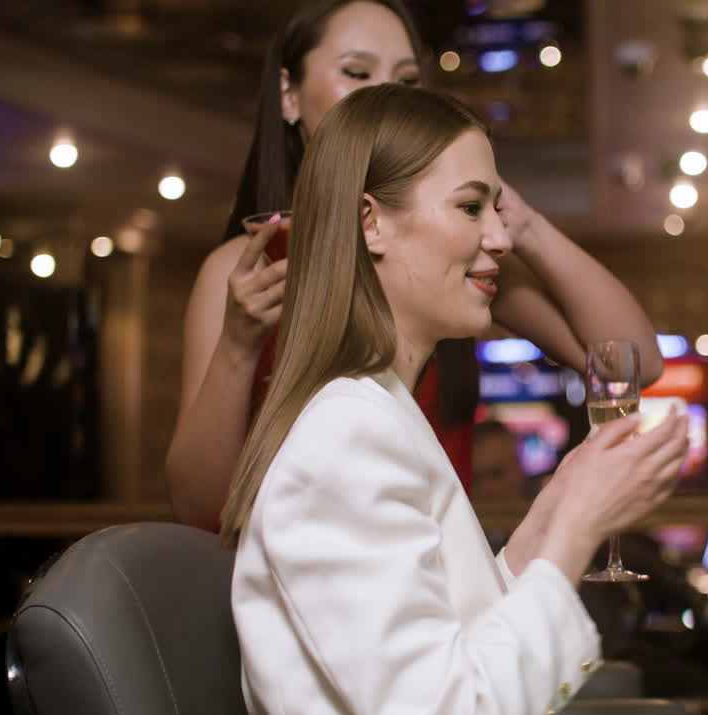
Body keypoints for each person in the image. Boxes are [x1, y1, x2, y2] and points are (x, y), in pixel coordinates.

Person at [224, 84, 689, 715]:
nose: (500, 237)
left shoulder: (381, 408)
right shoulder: (346, 431)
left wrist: (547, 518)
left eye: (497, 210)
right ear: (372, 222)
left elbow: (456, 637)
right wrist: (578, 526)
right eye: (472, 208)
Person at [166, 0, 663, 531]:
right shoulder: (245, 271)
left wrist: (522, 224)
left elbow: (631, 364)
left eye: (406, 80)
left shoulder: (457, 250)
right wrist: (238, 347)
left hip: (443, 570)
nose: (386, 94)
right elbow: (199, 508)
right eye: (357, 72)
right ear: (289, 95)